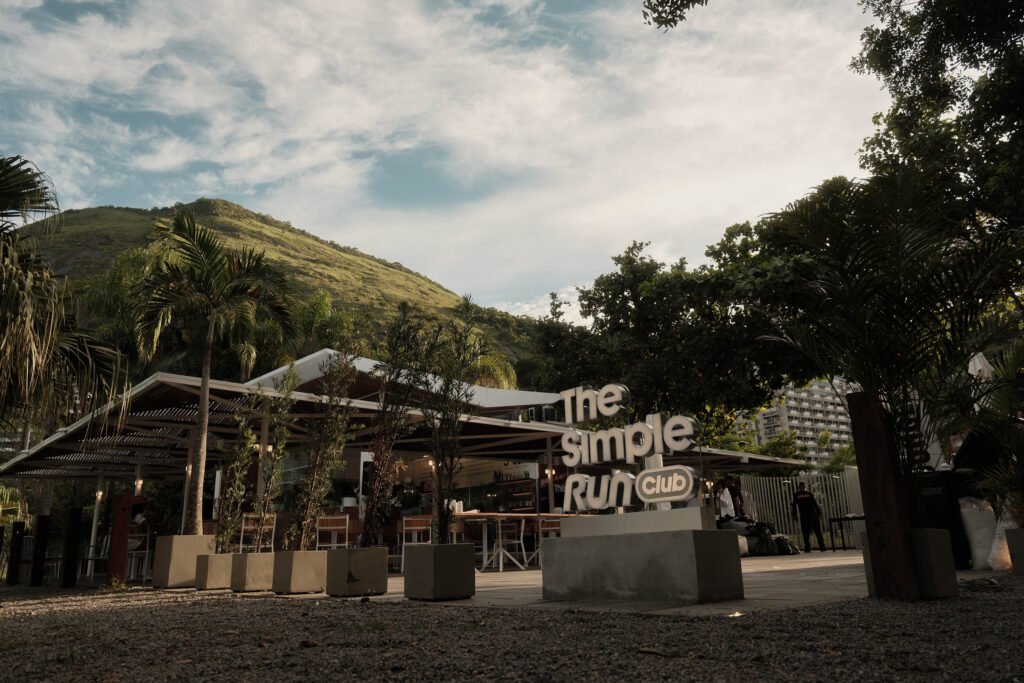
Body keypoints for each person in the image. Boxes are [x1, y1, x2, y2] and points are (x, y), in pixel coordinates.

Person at [791, 482, 826, 552]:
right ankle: (821, 546)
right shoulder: (809, 494)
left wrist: (794, 514)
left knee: (806, 532)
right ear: (804, 487)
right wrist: (819, 513)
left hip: (804, 516)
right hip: (812, 515)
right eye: (803, 486)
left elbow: (794, 505)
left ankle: (808, 547)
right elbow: (815, 504)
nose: (803, 487)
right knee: (817, 531)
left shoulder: (797, 495)